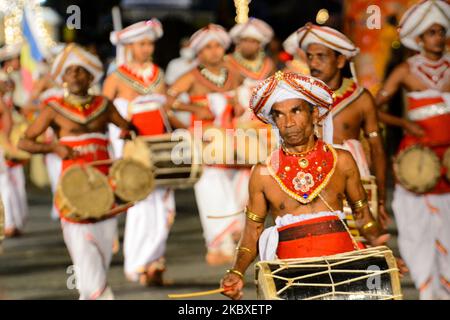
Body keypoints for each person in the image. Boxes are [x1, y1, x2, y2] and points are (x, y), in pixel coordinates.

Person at [220, 71, 399, 300]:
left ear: (314, 114)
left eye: (296, 111)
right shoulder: (263, 173)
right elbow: (251, 235)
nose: (289, 123)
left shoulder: (341, 160)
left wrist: (384, 250)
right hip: (291, 279)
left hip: (345, 271)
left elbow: (362, 216)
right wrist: (236, 271)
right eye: (280, 115)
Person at [18, 43, 132, 299]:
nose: (75, 76)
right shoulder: (53, 109)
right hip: (73, 189)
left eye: (81, 71)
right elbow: (24, 141)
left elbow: (128, 129)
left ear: (91, 76)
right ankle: (99, 296)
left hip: (105, 186)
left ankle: (91, 292)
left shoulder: (104, 105)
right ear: (62, 78)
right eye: (70, 72)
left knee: (102, 246)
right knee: (81, 245)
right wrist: (53, 148)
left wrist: (128, 132)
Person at [375, 0, 450, 300]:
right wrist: (404, 122)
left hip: (447, 157)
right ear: (419, 38)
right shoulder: (406, 70)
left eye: (441, 31)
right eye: (431, 32)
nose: (438, 38)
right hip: (418, 158)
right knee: (417, 225)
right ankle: (426, 287)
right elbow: (375, 108)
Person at [104, 19, 179, 286]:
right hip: (134, 152)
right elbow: (105, 113)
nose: (147, 48)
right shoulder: (116, 77)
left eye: (150, 43)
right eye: (142, 44)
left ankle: (155, 262)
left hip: (160, 150)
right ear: (129, 46)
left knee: (164, 207)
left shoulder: (158, 75)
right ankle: (138, 263)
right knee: (141, 206)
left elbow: (168, 112)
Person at [295, 23, 389, 229]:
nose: (314, 63)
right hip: (309, 180)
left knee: (357, 246)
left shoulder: (361, 98)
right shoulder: (299, 97)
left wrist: (380, 198)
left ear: (339, 61)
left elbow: (378, 150)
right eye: (310, 57)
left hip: (353, 180)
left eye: (321, 56)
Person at [166, 24, 243, 266]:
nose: (214, 51)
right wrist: (191, 111)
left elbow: (243, 101)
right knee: (210, 190)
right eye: (208, 47)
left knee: (238, 189)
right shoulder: (190, 76)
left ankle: (233, 237)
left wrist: (240, 107)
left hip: (232, 143)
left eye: (218, 46)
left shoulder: (233, 74)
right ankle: (218, 244)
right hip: (206, 142)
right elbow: (166, 104)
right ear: (199, 52)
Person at [226, 18, 276, 211]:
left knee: (265, 166)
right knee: (242, 166)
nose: (249, 45)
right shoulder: (228, 63)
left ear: (260, 44)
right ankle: (238, 215)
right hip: (239, 122)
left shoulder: (268, 63)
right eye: (245, 40)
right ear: (238, 42)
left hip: (264, 122)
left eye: (254, 41)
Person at [0, 44, 28, 237]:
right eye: (15, 59)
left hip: (7, 135)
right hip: (5, 136)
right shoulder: (4, 82)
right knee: (8, 180)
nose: (18, 62)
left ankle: (13, 221)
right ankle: (13, 221)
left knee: (9, 180)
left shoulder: (9, 81)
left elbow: (9, 112)